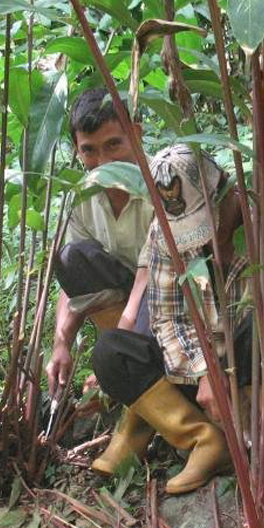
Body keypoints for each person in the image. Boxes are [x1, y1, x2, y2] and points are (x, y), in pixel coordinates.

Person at [89, 144, 264, 494]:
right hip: (206, 382)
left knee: (262, 325)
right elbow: (167, 319)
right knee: (111, 353)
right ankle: (207, 440)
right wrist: (204, 369)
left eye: (210, 224)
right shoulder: (166, 233)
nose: (204, 242)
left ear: (227, 189)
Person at [45, 87, 157, 469]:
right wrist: (62, 342)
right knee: (71, 257)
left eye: (114, 145)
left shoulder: (164, 183)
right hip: (126, 292)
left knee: (129, 345)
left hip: (173, 291)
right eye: (89, 150)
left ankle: (140, 420)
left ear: (136, 135)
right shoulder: (83, 196)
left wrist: (121, 338)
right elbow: (73, 279)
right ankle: (130, 388)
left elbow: (151, 270)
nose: (102, 161)